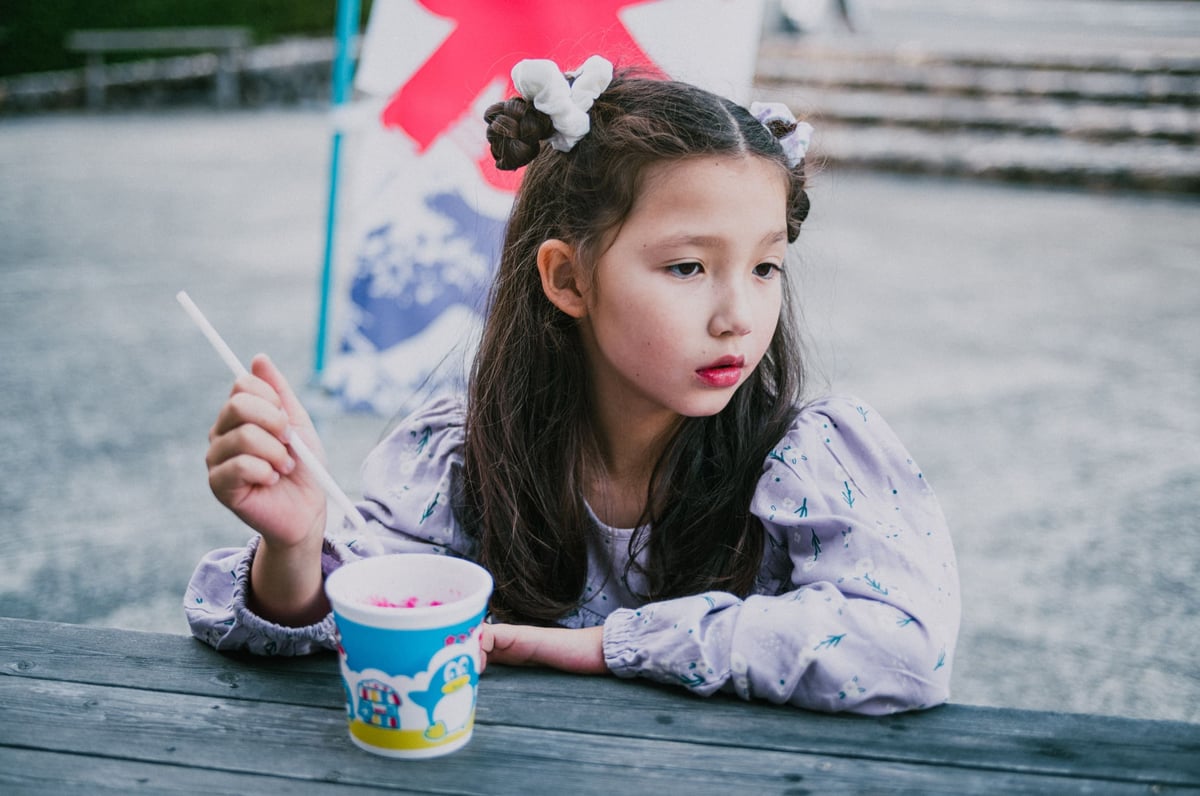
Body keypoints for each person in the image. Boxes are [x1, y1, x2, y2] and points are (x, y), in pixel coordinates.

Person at [187, 55, 959, 714]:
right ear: (567, 277)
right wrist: (293, 545)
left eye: (765, 267)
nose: (738, 316)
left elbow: (905, 651)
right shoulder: (467, 460)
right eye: (688, 267)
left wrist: (609, 647)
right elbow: (374, 610)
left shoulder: (810, 459)